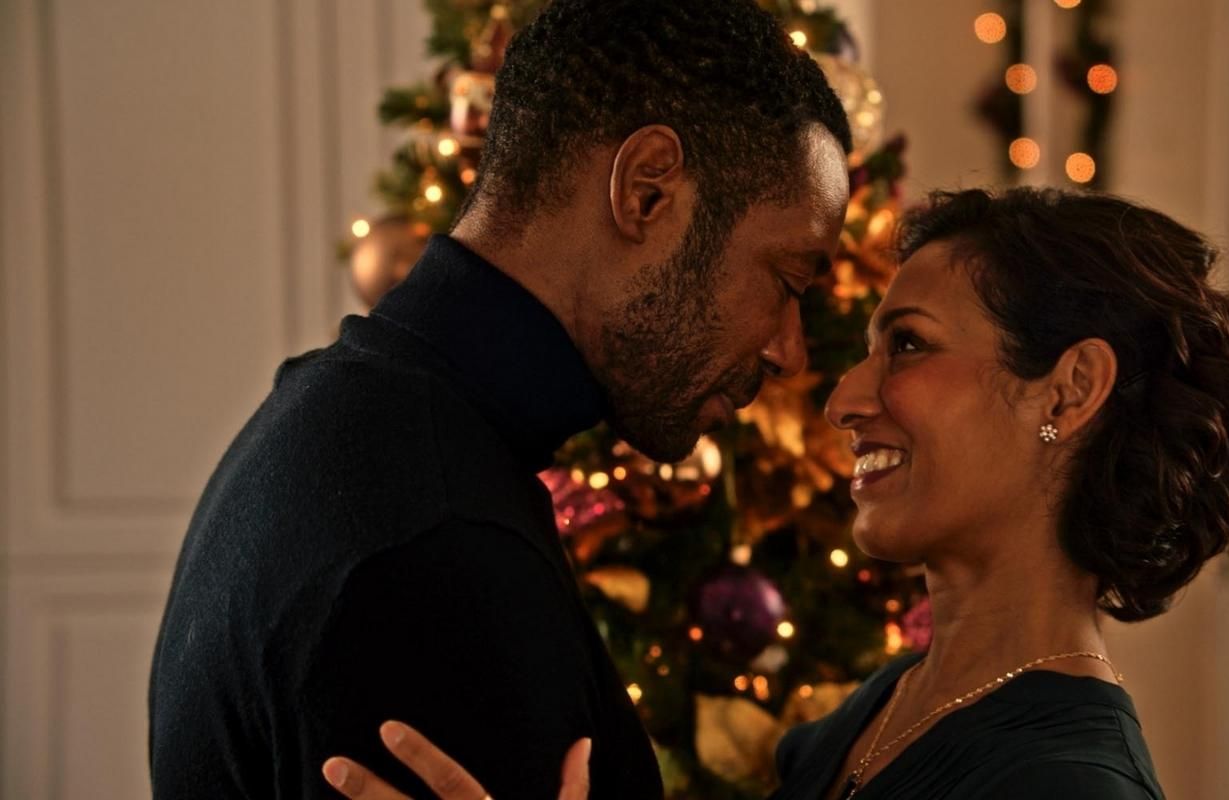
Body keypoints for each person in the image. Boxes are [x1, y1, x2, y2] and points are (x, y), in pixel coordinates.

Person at [316, 187, 1229, 799]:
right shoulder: (892, 703)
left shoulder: (1064, 784)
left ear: (1069, 389)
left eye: (906, 344)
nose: (842, 397)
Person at [146, 0, 850, 796]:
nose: (789, 351)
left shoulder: (344, 414)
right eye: (787, 282)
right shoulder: (436, 542)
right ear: (647, 190)